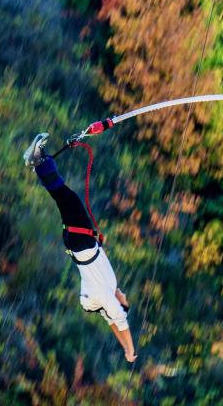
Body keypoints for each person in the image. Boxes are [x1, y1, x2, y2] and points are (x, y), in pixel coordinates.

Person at [23, 133, 137, 363]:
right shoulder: (107, 298)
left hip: (82, 245)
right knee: (66, 198)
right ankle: (40, 162)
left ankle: (39, 161)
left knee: (68, 199)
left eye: (124, 299)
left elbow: (120, 322)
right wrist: (122, 338)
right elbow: (114, 324)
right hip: (79, 245)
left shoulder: (107, 296)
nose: (124, 295)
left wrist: (130, 350)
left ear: (120, 304)